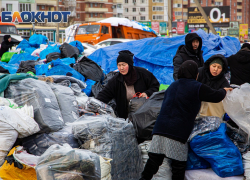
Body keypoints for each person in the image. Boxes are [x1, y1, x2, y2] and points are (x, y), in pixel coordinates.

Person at [140, 60, 232, 180]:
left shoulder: (173, 85)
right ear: (195, 73)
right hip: (177, 131)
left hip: (160, 129)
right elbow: (216, 96)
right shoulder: (196, 87)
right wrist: (224, 90)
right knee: (178, 166)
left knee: (153, 162)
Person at [96, 50, 160, 119]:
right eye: (119, 65)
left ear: (129, 65)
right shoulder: (115, 80)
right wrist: (93, 105)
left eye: (123, 65)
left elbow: (155, 86)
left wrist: (146, 93)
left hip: (146, 114)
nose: (121, 68)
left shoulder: (143, 74)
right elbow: (104, 94)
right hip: (125, 116)